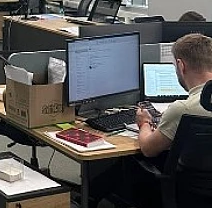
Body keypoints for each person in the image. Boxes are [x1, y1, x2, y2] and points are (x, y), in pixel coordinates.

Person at [90, 33, 212, 208]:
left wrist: (144, 123)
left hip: (188, 192)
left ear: (181, 65)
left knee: (129, 161)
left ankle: (89, 198)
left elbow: (148, 149)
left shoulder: (182, 109)